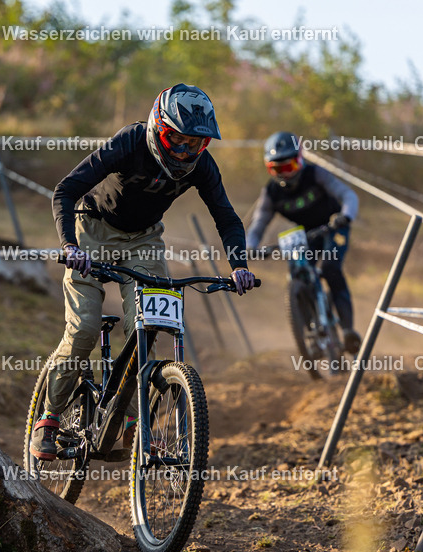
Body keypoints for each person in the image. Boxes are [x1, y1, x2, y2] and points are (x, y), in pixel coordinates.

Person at [31, 83, 256, 461]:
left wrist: (238, 266)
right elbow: (65, 191)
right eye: (177, 141)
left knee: (148, 329)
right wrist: (70, 245)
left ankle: (132, 419)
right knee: (84, 328)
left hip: (144, 242)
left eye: (195, 145)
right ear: (157, 126)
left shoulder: (201, 166)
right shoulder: (131, 141)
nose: (185, 152)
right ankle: (49, 418)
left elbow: (227, 217)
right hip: (92, 231)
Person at [245, 131, 361, 354]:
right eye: (277, 169)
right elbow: (258, 224)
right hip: (307, 232)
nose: (284, 175)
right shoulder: (271, 192)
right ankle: (312, 333)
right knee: (297, 269)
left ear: (300, 160)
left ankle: (347, 331)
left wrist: (345, 216)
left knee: (330, 268)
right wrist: (250, 247)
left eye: (288, 167)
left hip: (333, 225)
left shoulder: (316, 174)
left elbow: (348, 195)